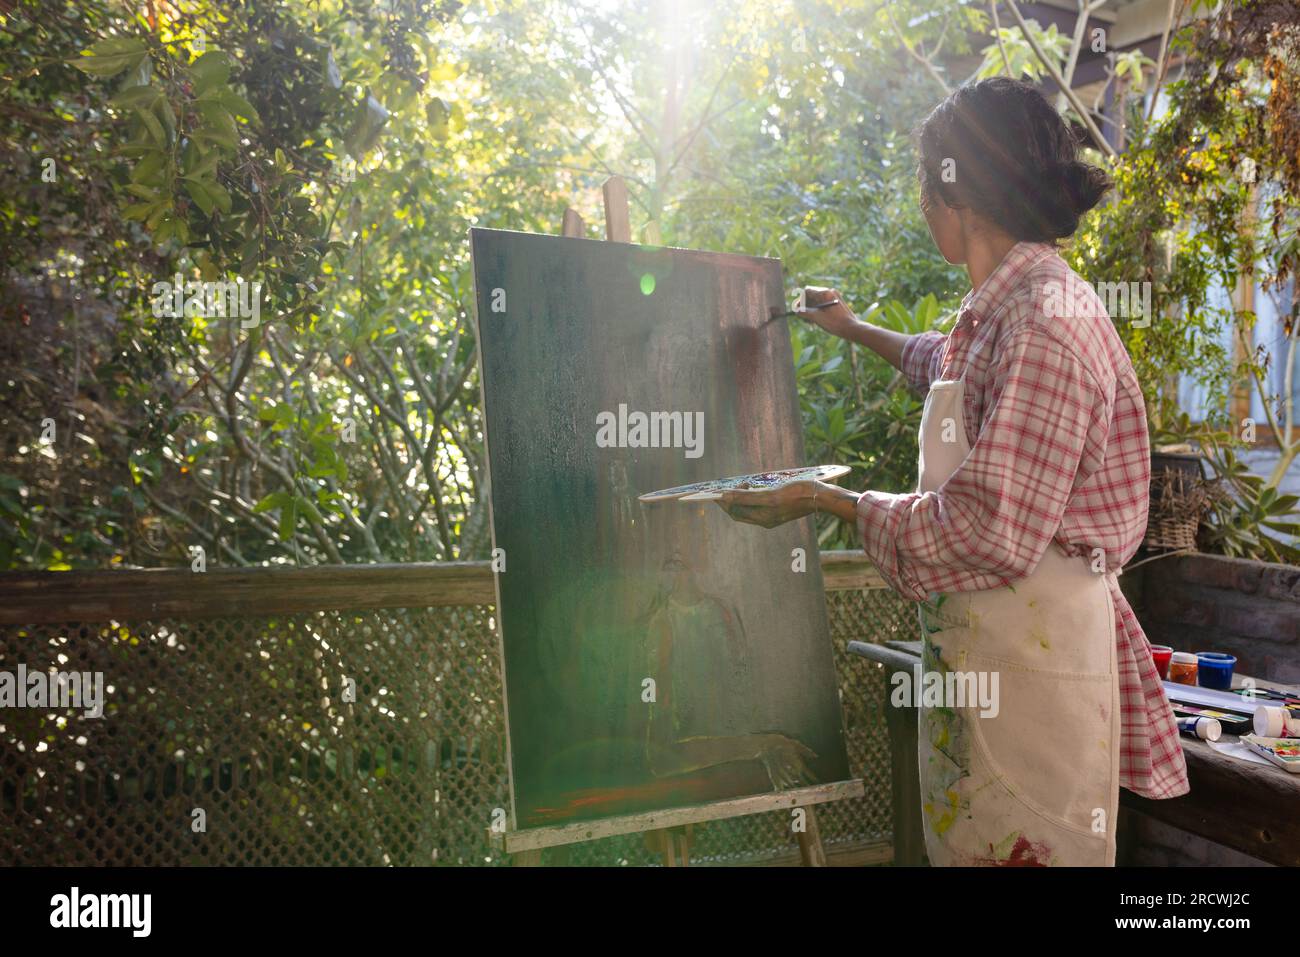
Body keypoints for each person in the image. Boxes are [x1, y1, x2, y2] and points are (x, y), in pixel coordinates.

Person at [712, 77, 1188, 866]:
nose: (921, 202)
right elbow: (945, 365)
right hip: (989, 659)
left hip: (1033, 675)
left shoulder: (1045, 323)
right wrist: (852, 327)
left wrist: (826, 499)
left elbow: (983, 526)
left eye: (925, 180)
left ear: (957, 193)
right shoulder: (1006, 309)